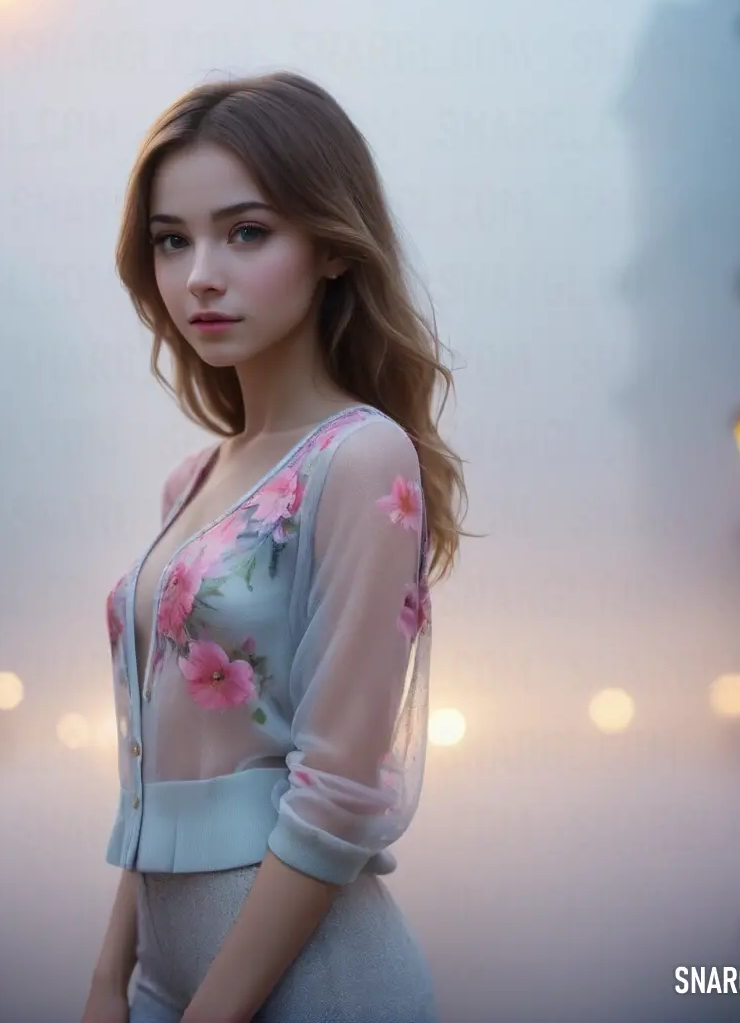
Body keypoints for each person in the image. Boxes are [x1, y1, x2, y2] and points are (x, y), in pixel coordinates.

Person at [81, 70, 467, 1023]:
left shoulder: (362, 456)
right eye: (173, 241)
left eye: (246, 232)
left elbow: (335, 790)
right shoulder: (194, 481)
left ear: (331, 246)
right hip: (167, 979)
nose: (200, 273)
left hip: (314, 985)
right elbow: (161, 777)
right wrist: (109, 982)